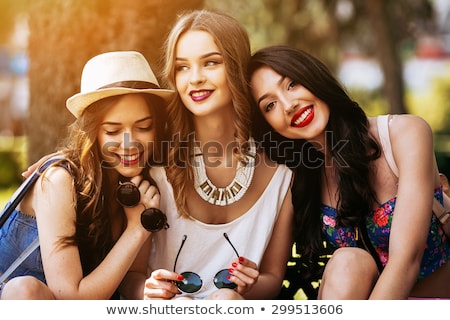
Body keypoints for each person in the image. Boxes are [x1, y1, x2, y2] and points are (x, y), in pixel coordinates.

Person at [247, 45, 450, 299]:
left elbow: (405, 262)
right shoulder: (298, 179)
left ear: (314, 77)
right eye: (270, 105)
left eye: (292, 84)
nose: (288, 105)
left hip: (435, 306)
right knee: (348, 262)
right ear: (269, 126)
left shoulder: (405, 134)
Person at [144, 10, 294, 300]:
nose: (195, 79)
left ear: (237, 68)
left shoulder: (281, 176)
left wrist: (249, 284)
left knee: (226, 300)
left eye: (211, 63)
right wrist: (147, 289)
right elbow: (134, 277)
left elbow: (272, 280)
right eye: (182, 67)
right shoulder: (155, 165)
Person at [0, 51, 174, 299]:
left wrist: (150, 292)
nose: (130, 142)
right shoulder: (60, 181)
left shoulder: (141, 186)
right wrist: (136, 230)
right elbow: (72, 299)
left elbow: (130, 277)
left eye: (143, 127)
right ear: (94, 133)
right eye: (113, 130)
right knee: (24, 289)